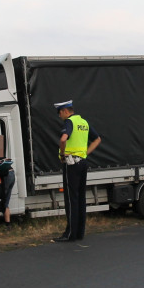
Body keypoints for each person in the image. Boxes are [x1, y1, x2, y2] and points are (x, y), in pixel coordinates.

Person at [52, 100, 101, 243]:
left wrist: (62, 155)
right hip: (83, 162)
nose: (59, 116)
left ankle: (70, 234)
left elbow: (63, 139)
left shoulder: (69, 122)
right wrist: (85, 153)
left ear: (65, 111)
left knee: (71, 198)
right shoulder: (83, 122)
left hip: (71, 163)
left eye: (59, 113)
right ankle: (80, 232)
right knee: (80, 198)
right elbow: (97, 139)